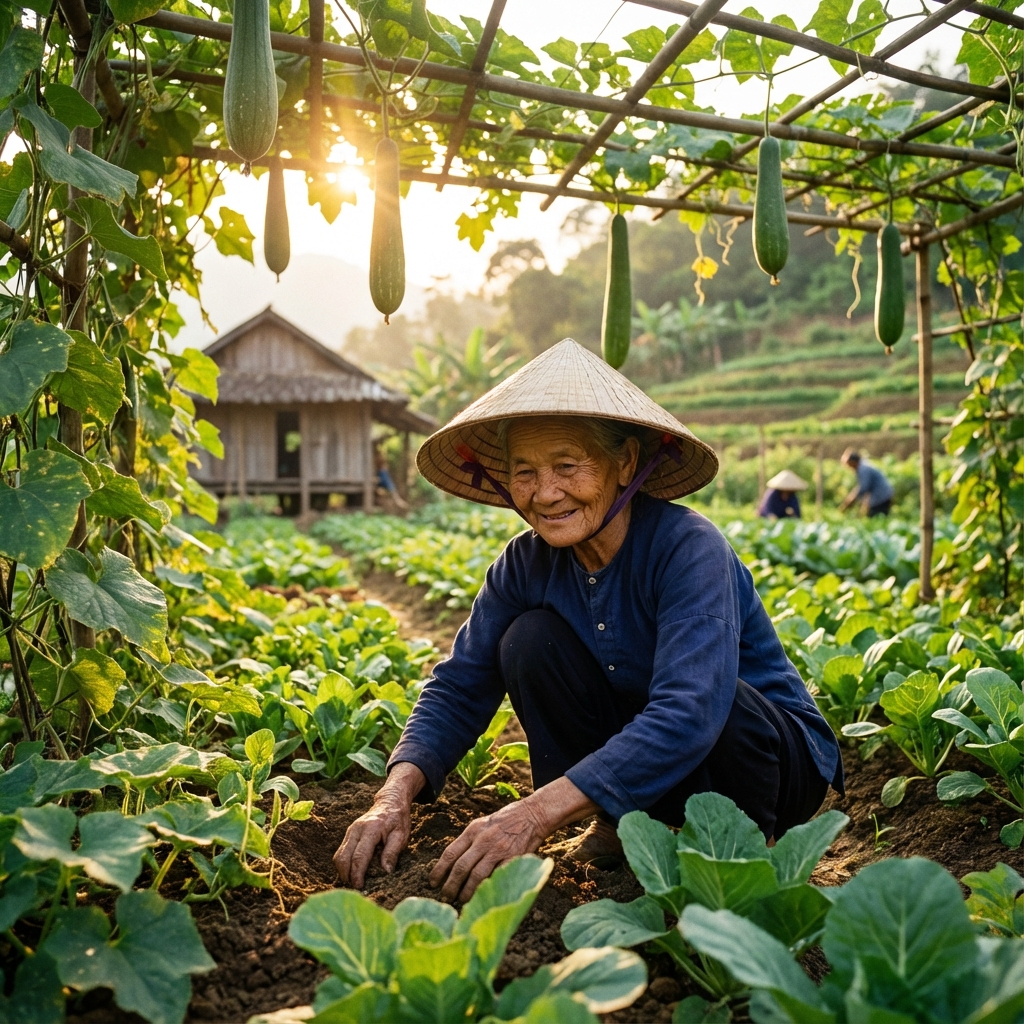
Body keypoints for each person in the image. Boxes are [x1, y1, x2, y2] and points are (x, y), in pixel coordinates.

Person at [333, 339, 842, 903]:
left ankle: (749, 850)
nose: (546, 493)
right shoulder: (523, 563)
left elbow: (690, 712)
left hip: (769, 764)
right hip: (657, 765)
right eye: (525, 471)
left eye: (567, 466)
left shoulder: (688, 547)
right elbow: (460, 684)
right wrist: (393, 795)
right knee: (529, 641)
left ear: (625, 463)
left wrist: (533, 814)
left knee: (718, 700)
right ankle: (619, 822)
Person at [838, 449, 893, 517]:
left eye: (849, 464)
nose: (849, 467)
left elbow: (863, 488)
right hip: (883, 495)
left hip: (881, 497)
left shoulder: (863, 469)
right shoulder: (863, 466)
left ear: (853, 462)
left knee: (876, 517)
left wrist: (849, 502)